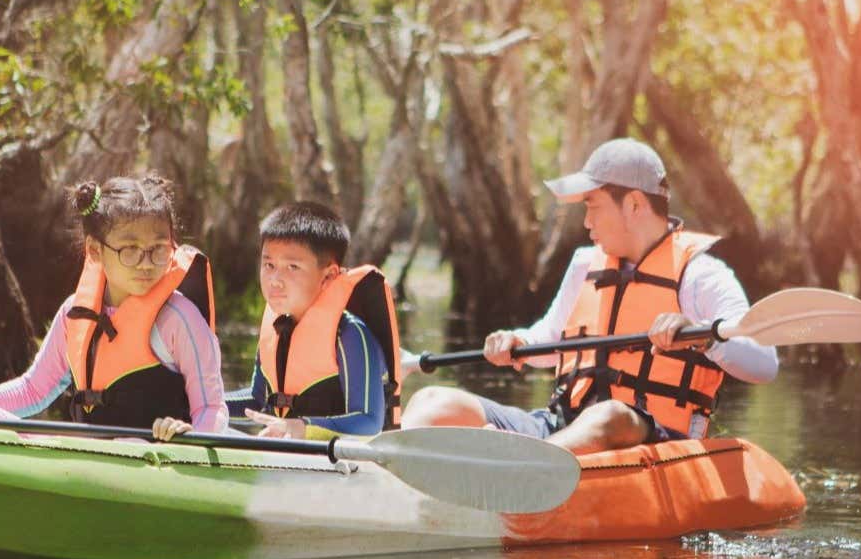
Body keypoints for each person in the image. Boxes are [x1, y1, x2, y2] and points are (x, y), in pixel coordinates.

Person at [398, 138, 777, 454]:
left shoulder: (701, 274)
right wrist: (517, 340)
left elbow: (764, 363)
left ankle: (523, 468)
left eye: (592, 206)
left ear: (633, 205)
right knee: (433, 402)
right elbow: (549, 341)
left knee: (611, 414)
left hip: (649, 441)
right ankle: (387, 471)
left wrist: (701, 335)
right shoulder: (585, 264)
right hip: (564, 426)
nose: (586, 222)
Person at [0, 175, 228, 440]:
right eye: (130, 249)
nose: (146, 263)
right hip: (90, 459)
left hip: (155, 461)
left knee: (129, 445)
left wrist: (192, 438)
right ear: (95, 251)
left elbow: (212, 409)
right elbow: (33, 389)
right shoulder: (75, 314)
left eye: (158, 249)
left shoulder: (179, 319)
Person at [225, 202, 402, 439]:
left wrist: (301, 426)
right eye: (269, 265)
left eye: (293, 267)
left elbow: (370, 421)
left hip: (343, 464)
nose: (275, 280)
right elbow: (259, 402)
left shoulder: (350, 335)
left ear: (328, 275)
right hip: (291, 457)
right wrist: (196, 406)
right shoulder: (278, 325)